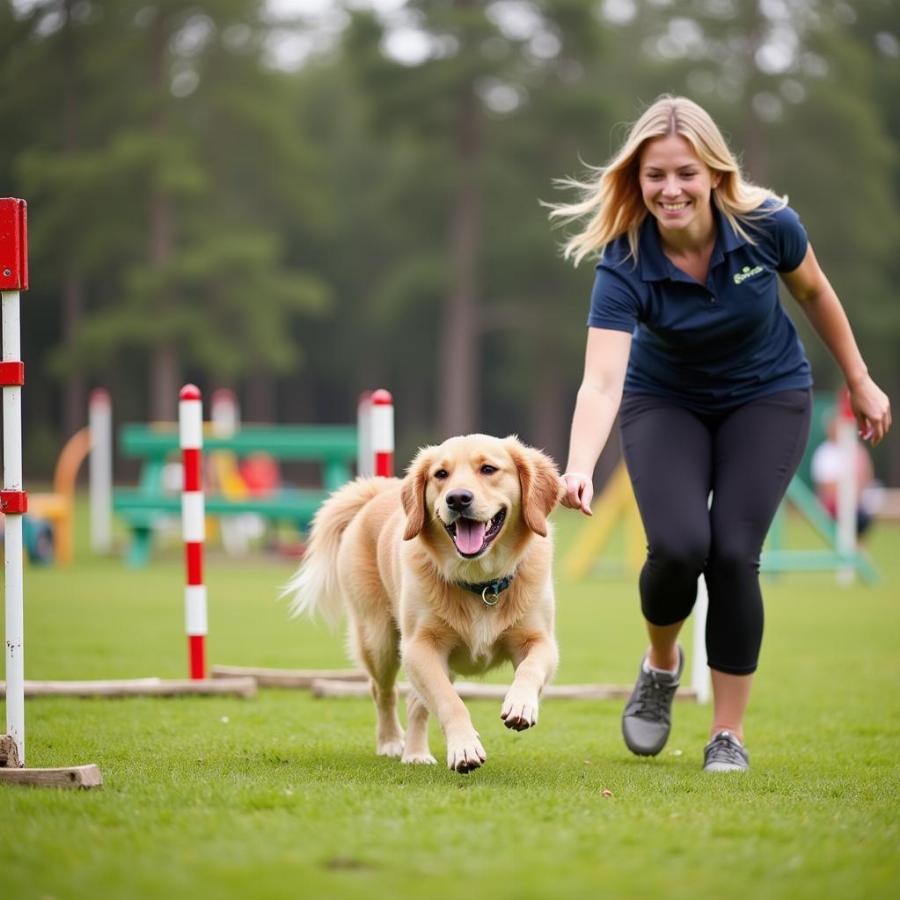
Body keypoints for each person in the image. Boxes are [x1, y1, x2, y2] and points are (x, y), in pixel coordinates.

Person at [549, 95, 892, 772]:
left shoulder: (768, 227)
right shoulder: (624, 259)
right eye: (655, 176)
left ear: (712, 172)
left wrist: (859, 379)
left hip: (766, 395)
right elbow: (602, 381)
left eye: (684, 172)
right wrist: (580, 463)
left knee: (734, 554)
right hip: (664, 400)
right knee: (677, 547)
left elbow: (815, 292)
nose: (670, 189)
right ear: (637, 181)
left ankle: (727, 733)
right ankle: (660, 663)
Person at [810, 411, 879, 539]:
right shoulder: (824, 452)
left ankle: (857, 548)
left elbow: (867, 476)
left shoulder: (857, 449)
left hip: (857, 501)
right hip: (833, 504)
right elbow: (826, 488)